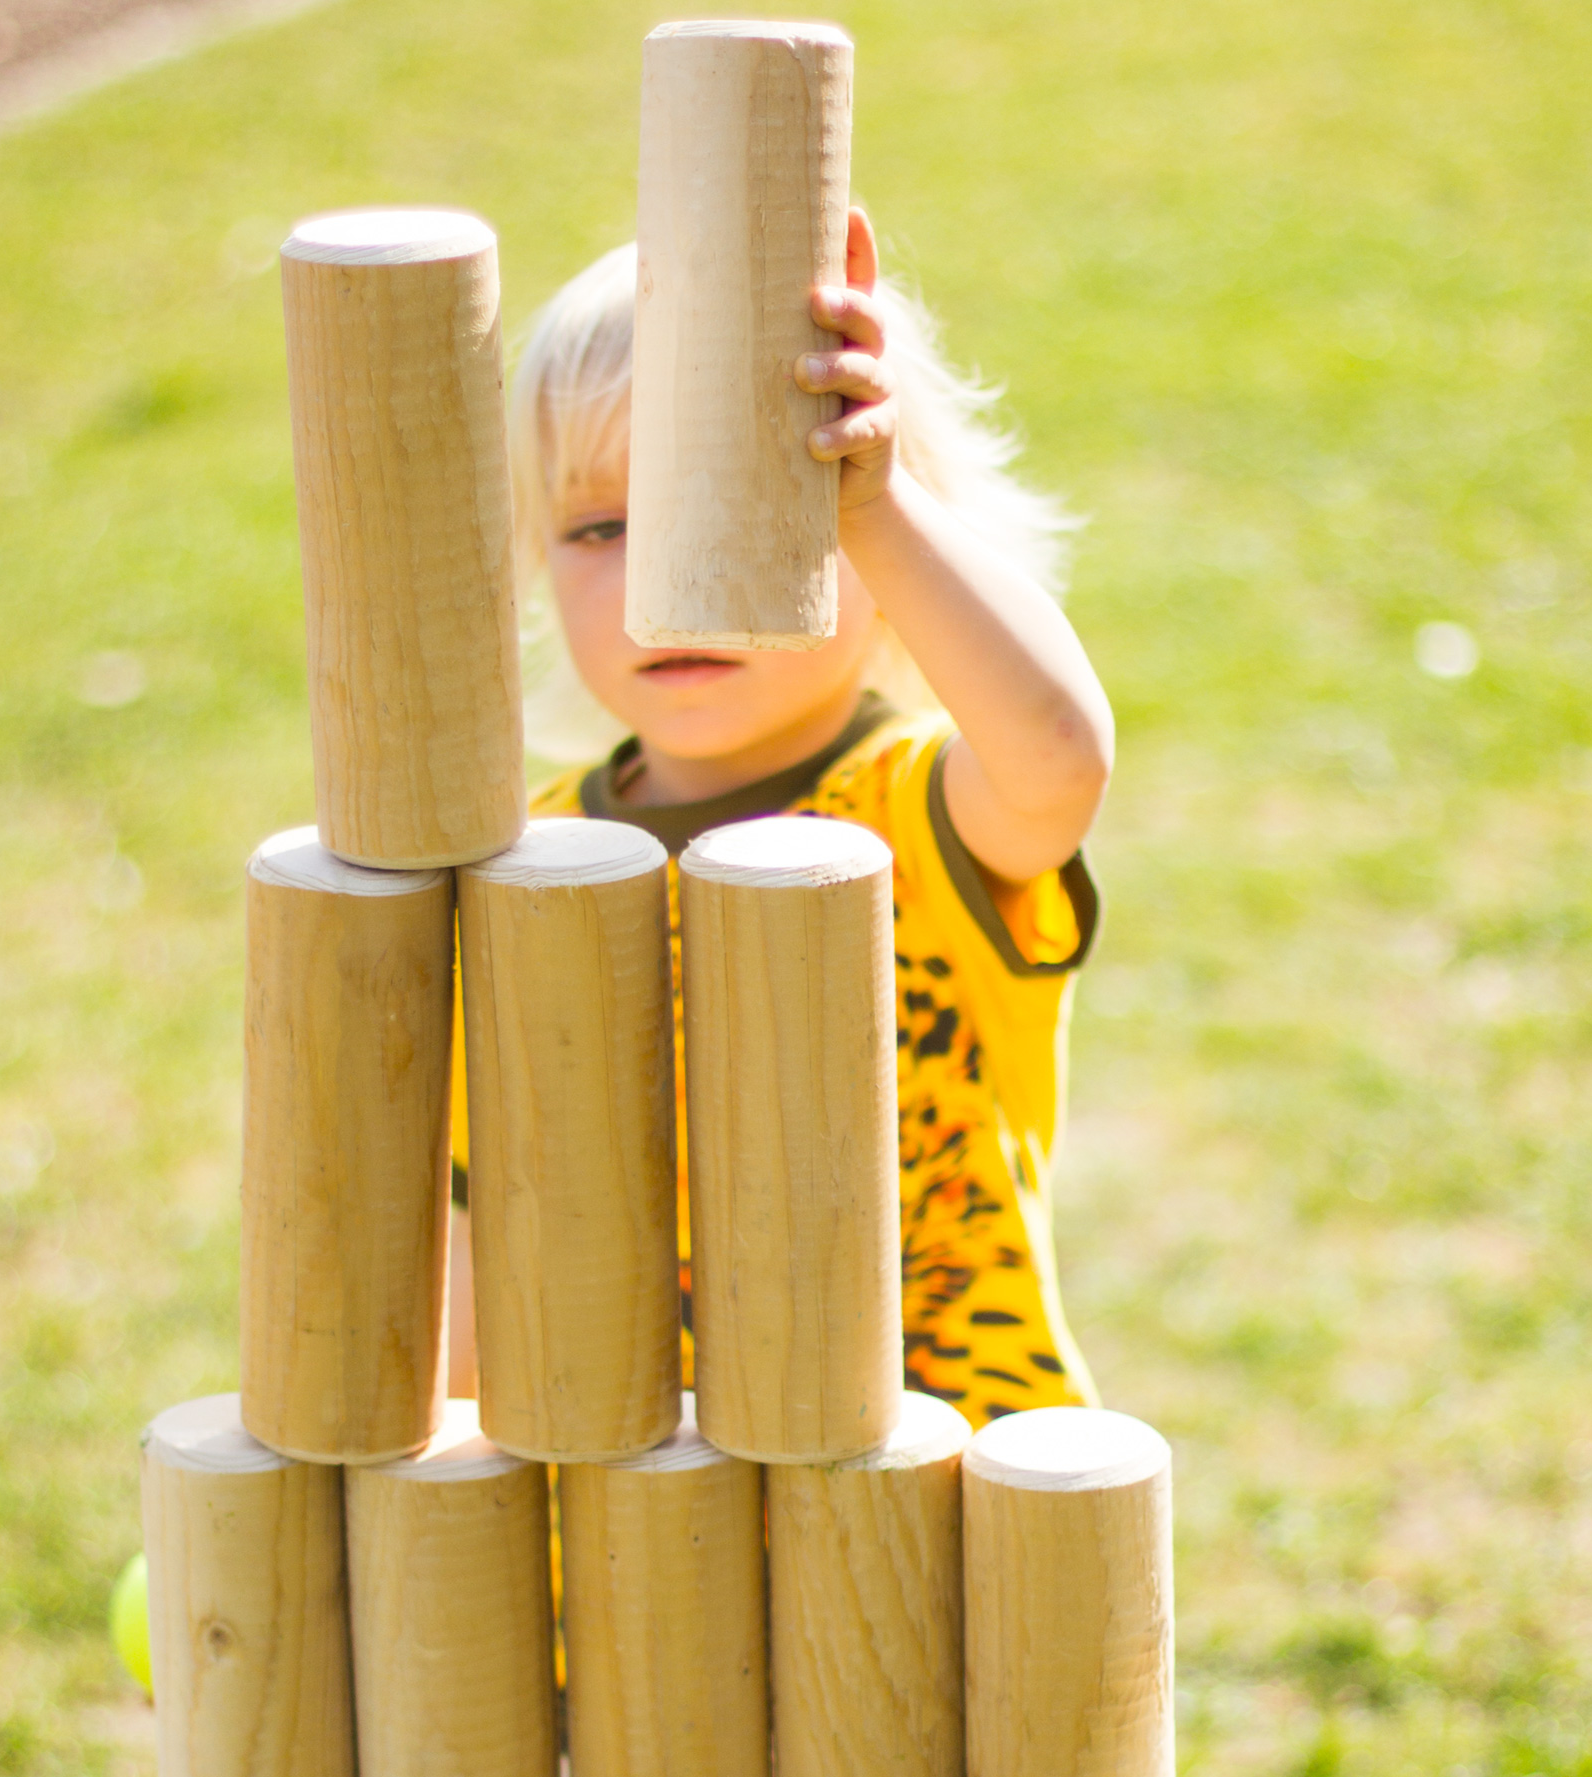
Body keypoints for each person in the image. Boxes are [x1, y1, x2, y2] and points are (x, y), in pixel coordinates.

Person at [447, 209, 1114, 1427]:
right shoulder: (521, 861)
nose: (664, 582)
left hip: (938, 1504)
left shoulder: (916, 809)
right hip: (626, 1529)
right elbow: (469, 1214)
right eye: (600, 527)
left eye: (737, 503)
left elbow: (1057, 754)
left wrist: (877, 504)